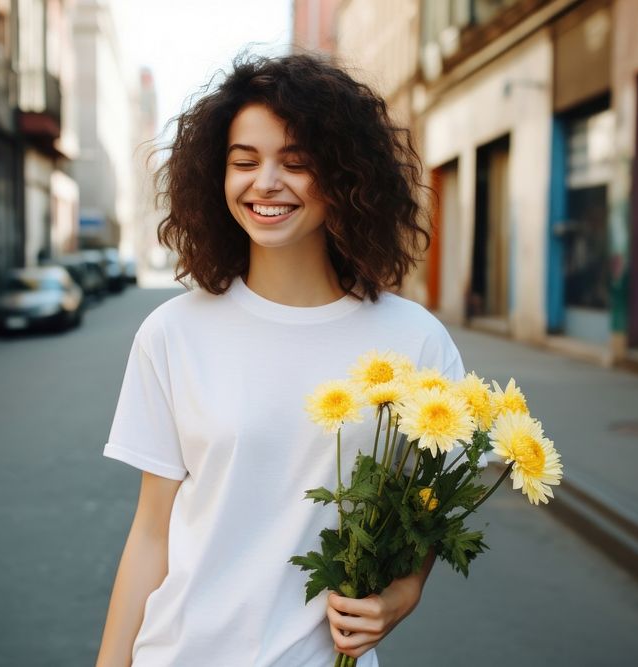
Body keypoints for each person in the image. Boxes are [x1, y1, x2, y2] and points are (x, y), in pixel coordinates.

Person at [96, 53, 465, 667]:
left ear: (347, 178)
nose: (265, 182)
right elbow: (151, 533)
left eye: (296, 163)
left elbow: (429, 508)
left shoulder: (413, 340)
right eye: (245, 162)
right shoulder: (173, 333)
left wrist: (405, 594)